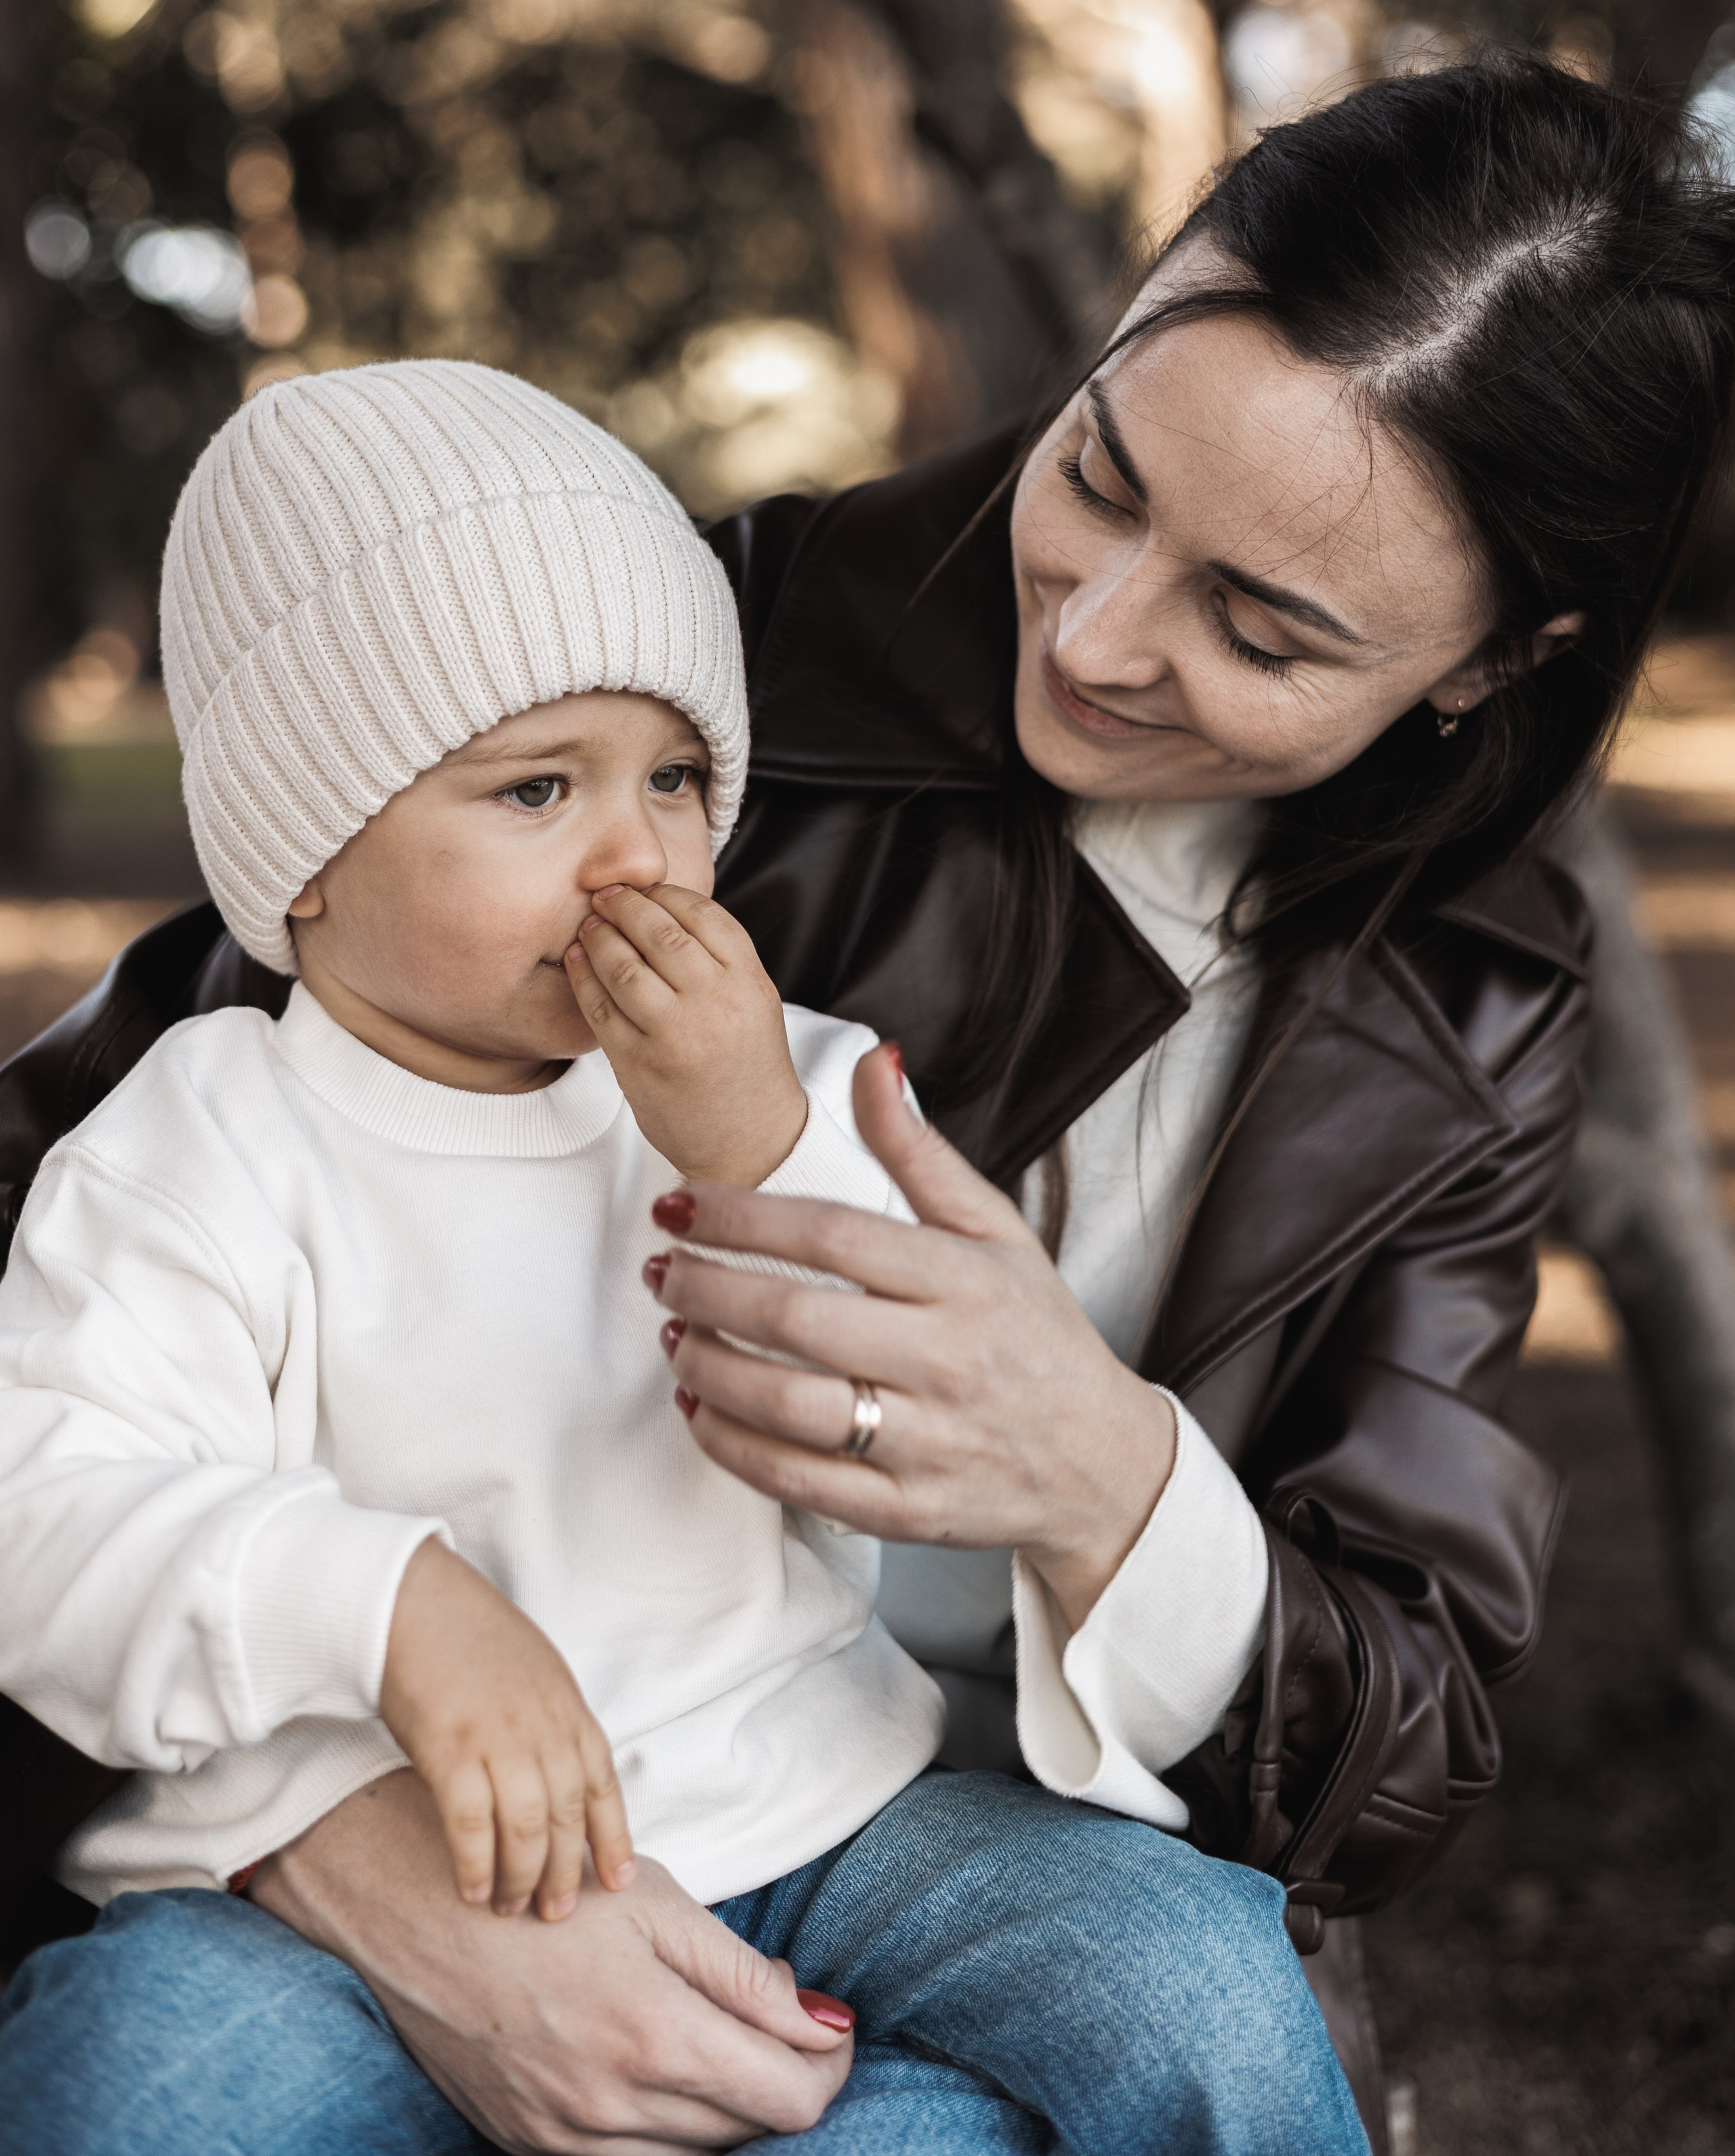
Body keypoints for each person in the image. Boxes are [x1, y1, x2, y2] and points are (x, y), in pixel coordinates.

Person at [0, 53, 1730, 2151]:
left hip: (911, 1854)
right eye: (1099, 469)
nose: (1092, 632)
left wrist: (1102, 1474)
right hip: (385, 1822)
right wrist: (319, 1831)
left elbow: (1395, 1740)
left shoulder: (1482, 990)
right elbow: (74, 1367)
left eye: (1262, 624)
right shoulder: (667, 646)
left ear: (1489, 663)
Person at [0, 364, 1368, 2156]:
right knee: (138, 2085)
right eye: (538, 789)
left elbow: (910, 1412)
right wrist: (391, 1605)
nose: (639, 850)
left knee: (1192, 1977)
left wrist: (750, 1148)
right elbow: (48, 1515)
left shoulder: (780, 1082)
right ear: (306, 853)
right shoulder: (201, 1148)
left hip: (825, 1815)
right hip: (350, 1893)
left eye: (675, 774)